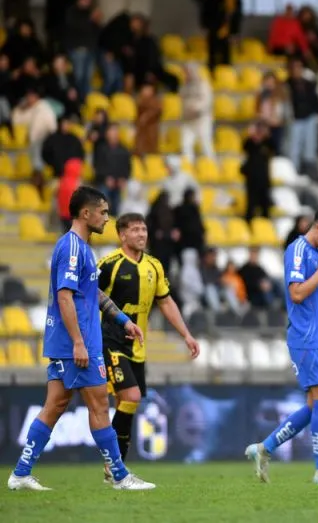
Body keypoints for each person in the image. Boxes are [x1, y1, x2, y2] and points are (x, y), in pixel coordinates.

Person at [8, 186, 154, 491]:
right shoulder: (73, 248)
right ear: (85, 213)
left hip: (70, 342)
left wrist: (122, 319)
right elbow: (64, 297)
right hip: (77, 343)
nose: (106, 217)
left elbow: (91, 293)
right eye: (102, 211)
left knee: (55, 405)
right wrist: (78, 342)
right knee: (100, 405)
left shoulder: (81, 248)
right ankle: (120, 475)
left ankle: (21, 473)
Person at [245, 206, 318, 485]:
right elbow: (296, 292)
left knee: (316, 404)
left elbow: (312, 296)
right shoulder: (299, 250)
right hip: (306, 338)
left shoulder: (317, 253)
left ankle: (263, 449)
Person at [98, 213, 200, 481]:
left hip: (138, 347)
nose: (142, 234)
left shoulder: (154, 266)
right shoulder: (109, 265)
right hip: (110, 342)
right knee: (130, 397)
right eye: (135, 230)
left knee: (127, 402)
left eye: (144, 229)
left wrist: (186, 335)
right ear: (122, 235)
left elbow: (166, 302)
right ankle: (116, 464)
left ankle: (114, 468)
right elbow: (87, 297)